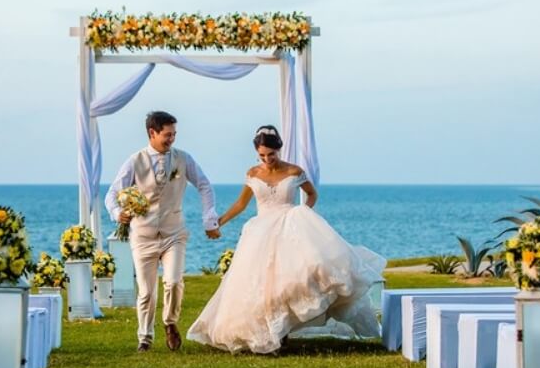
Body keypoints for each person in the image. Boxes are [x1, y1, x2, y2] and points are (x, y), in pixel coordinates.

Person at [187, 125, 383, 354]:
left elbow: (312, 194)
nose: (267, 159)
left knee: (291, 280)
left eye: (271, 154)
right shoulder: (252, 174)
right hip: (260, 231)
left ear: (279, 149)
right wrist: (219, 221)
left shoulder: (294, 171)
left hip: (290, 227)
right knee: (261, 285)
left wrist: (303, 214)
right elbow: (241, 204)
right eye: (262, 155)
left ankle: (284, 329)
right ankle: (270, 333)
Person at [105, 111, 220, 352]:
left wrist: (209, 217)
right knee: (146, 292)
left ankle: (170, 322)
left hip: (174, 233)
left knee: (174, 281)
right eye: (167, 135)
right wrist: (118, 213)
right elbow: (112, 195)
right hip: (143, 235)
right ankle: (144, 338)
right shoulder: (134, 161)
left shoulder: (183, 159)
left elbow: (204, 185)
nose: (172, 140)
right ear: (152, 133)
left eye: (174, 134)